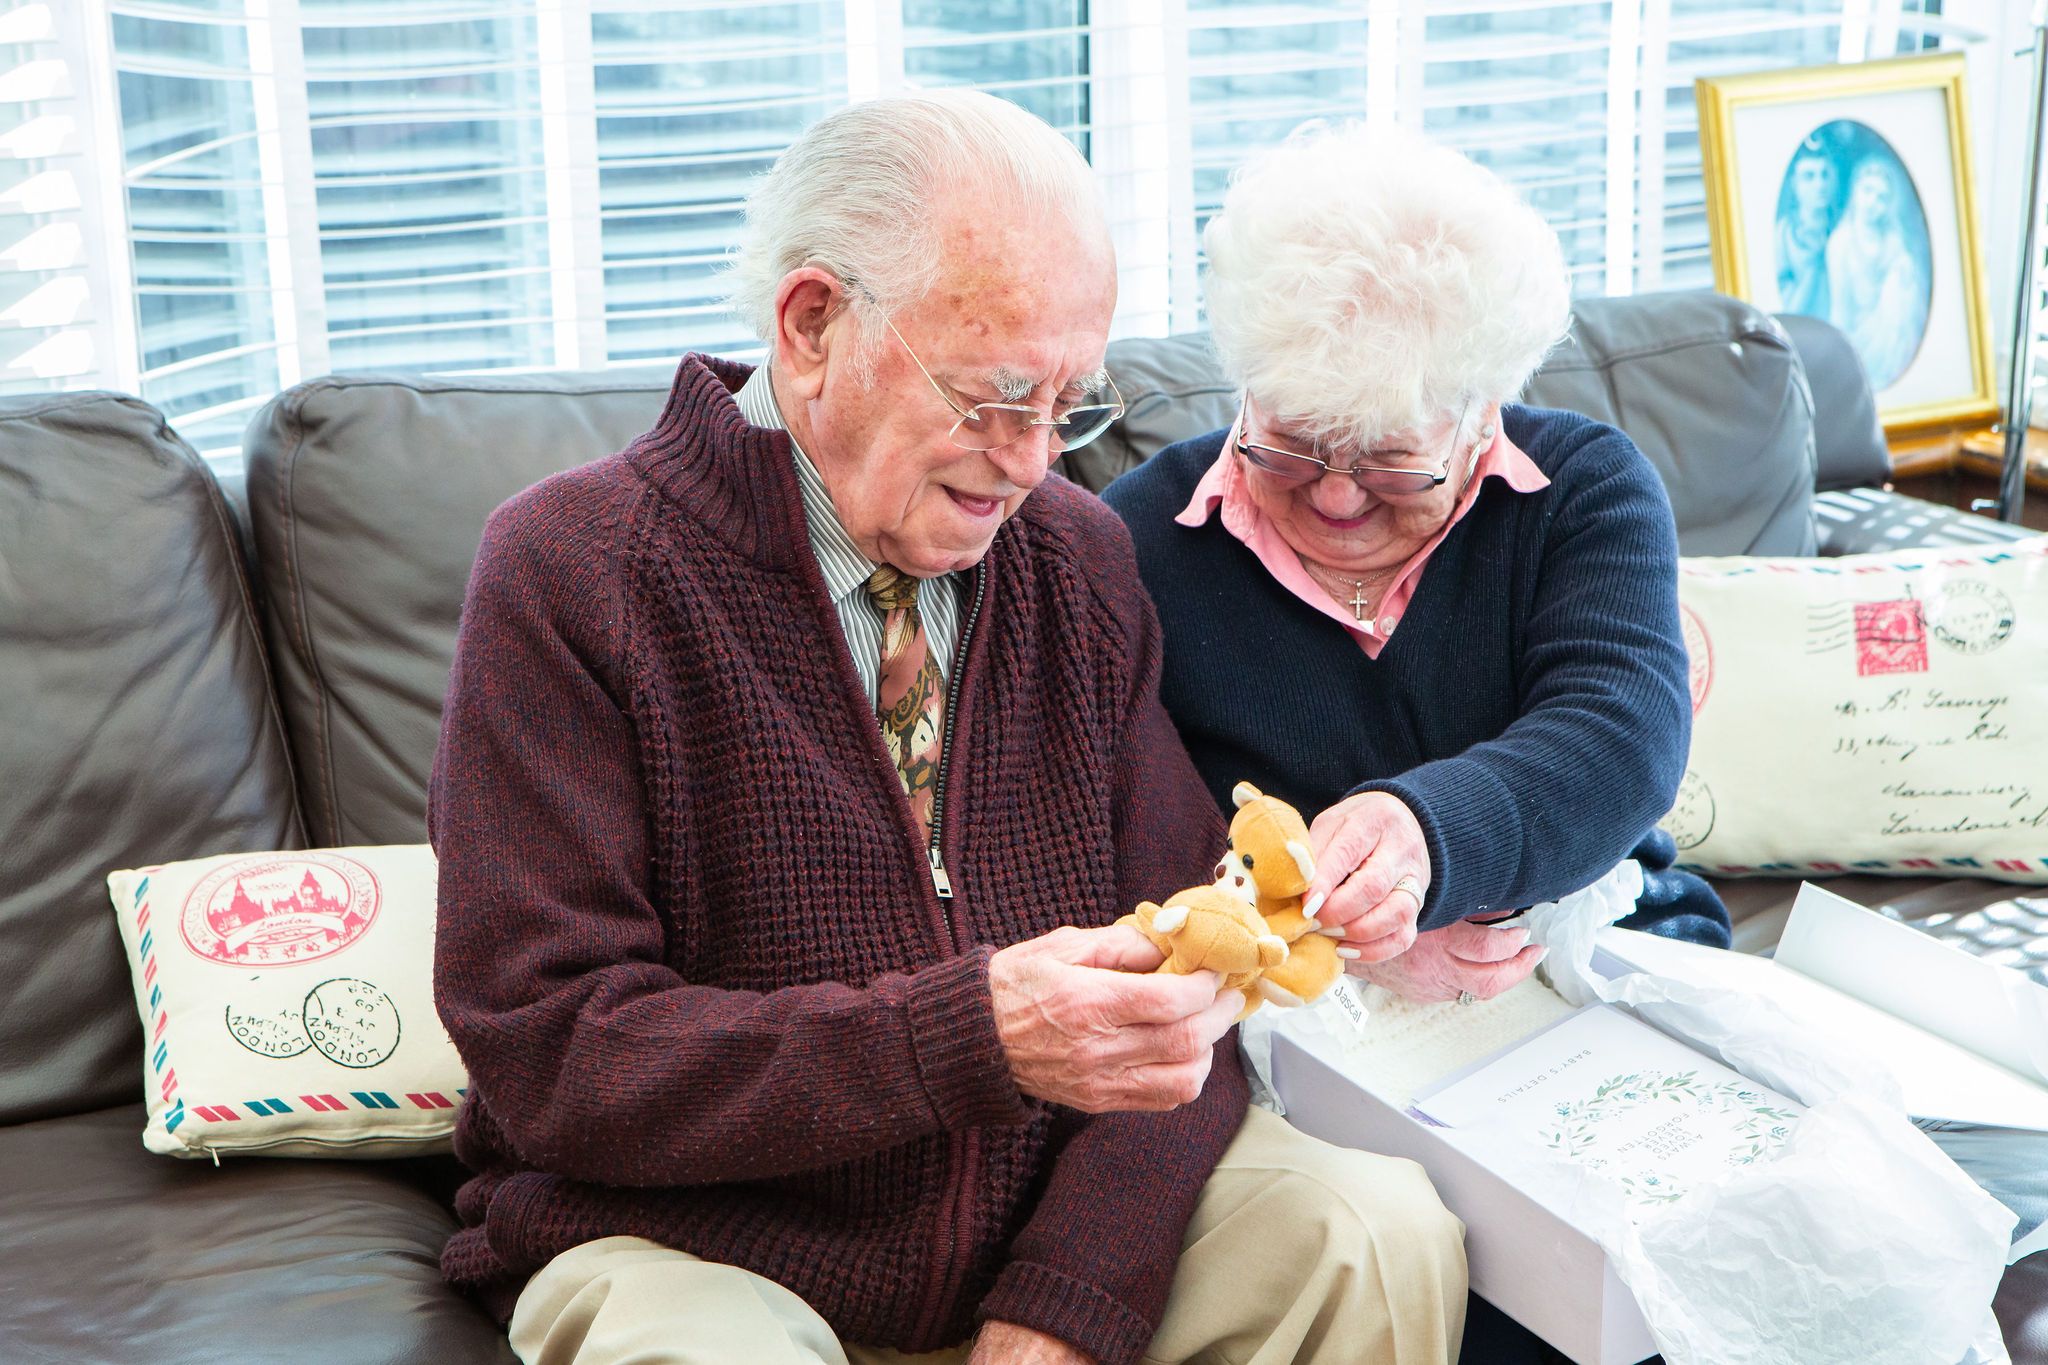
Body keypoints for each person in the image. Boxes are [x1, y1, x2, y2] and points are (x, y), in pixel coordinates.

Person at [430, 92, 1466, 1365]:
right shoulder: (572, 569)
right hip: (698, 1248)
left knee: (1372, 1230)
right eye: (992, 397)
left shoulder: (1076, 564)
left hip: (1032, 1235)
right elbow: (557, 1055)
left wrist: (1069, 1295)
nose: (1030, 459)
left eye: (1068, 402)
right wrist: (970, 1037)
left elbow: (1197, 986)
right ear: (812, 325)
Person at [1104, 120, 1726, 1019]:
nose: (1339, 499)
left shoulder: (1585, 490)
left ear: (1484, 413)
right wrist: (1335, 942)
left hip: (1600, 942)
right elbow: (1106, 816)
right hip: (1284, 997)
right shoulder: (1135, 542)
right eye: (1291, 448)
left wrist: (1421, 841)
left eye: (1392, 462)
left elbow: (1621, 731)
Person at [1826, 155, 1929, 389]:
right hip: (1860, 337)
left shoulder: (1894, 241)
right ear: (1855, 192)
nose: (1872, 202)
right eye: (1867, 191)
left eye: (1881, 198)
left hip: (1895, 338)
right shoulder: (1841, 243)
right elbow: (1841, 310)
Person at [1776, 135, 1838, 318]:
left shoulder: (1843, 226)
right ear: (1795, 184)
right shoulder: (1785, 233)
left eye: (1825, 175)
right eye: (1809, 176)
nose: (1820, 185)